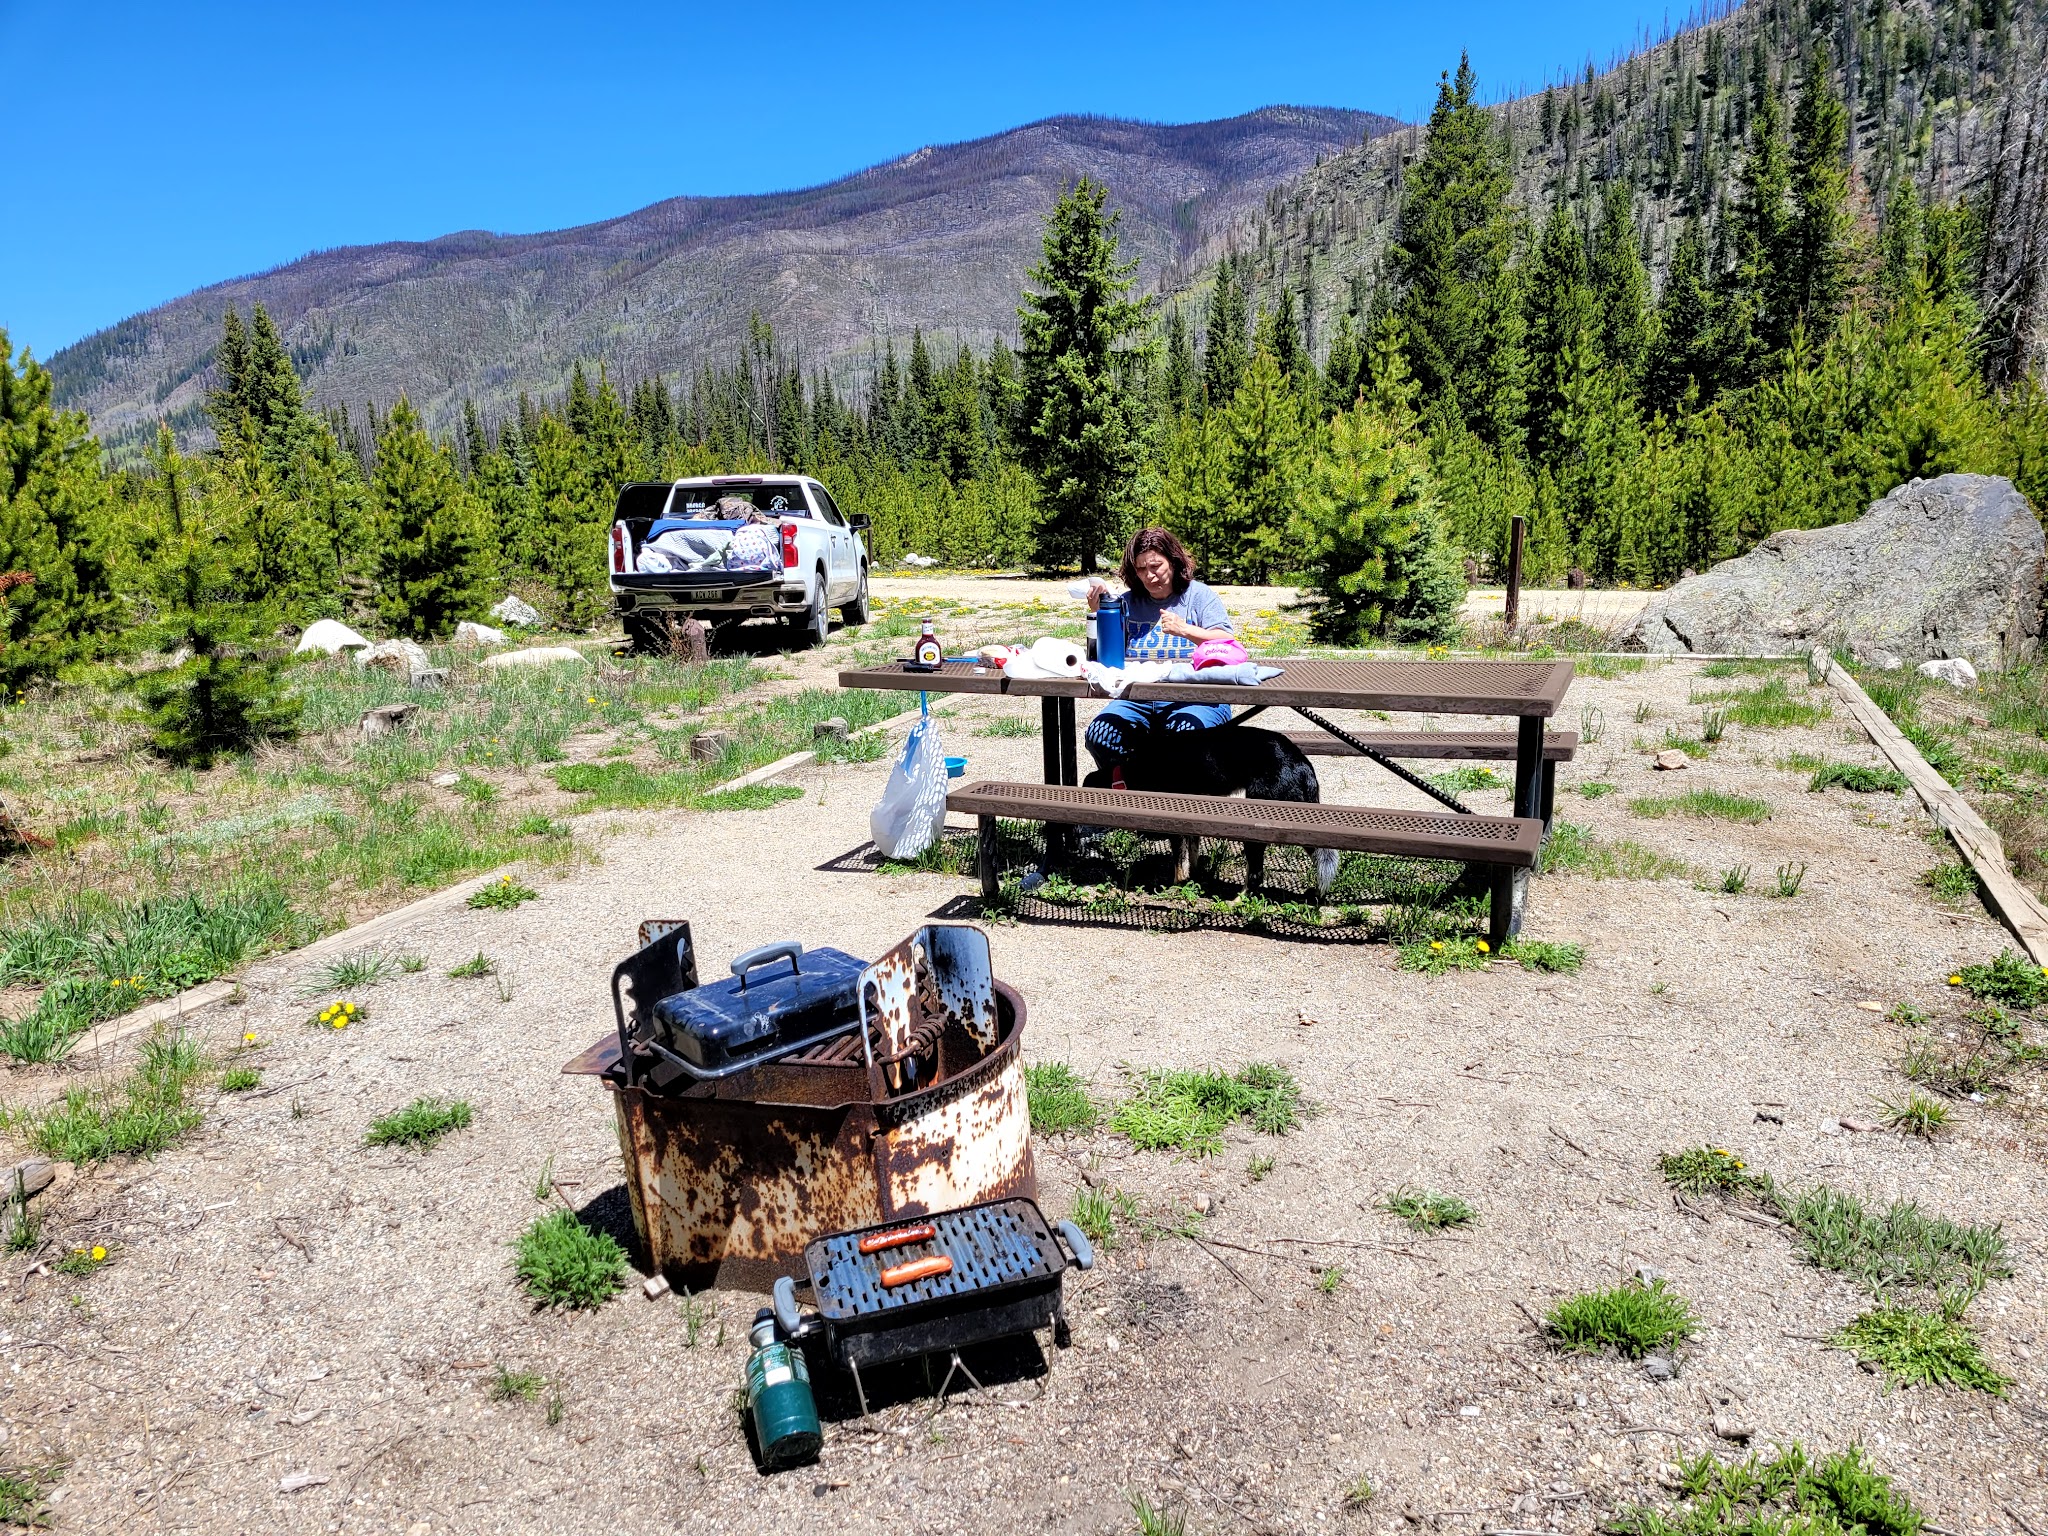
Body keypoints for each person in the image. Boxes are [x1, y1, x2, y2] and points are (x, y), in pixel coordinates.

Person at [1082, 527, 1235, 775]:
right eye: (1141, 569)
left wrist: (1186, 630)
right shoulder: (1128, 602)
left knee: (1185, 741)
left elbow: (1227, 641)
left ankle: (1179, 805)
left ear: (1173, 562)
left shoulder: (1199, 596)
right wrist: (1099, 614)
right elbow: (1103, 658)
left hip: (1194, 698)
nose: (1149, 576)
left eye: (1156, 566)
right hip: (1137, 698)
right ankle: (1135, 794)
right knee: (1100, 735)